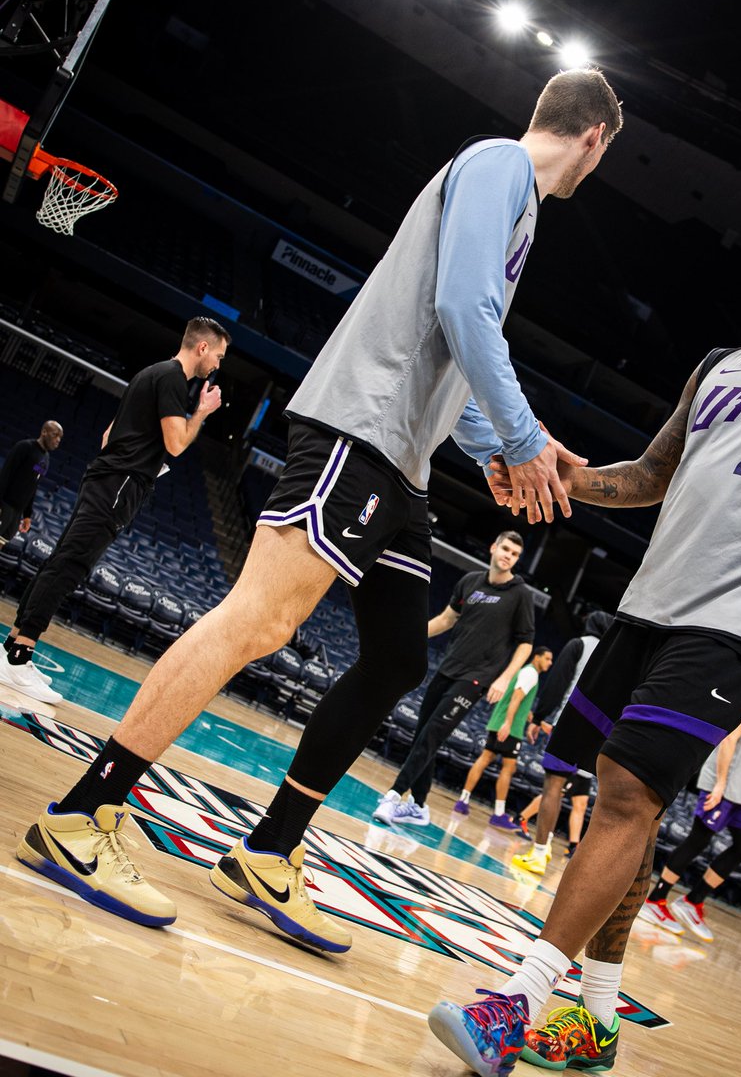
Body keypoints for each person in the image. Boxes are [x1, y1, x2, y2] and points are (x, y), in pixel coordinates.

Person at [14, 69, 623, 948]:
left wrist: (495, 445)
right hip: (359, 432)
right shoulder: (501, 165)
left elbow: (453, 349)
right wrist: (525, 437)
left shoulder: (516, 200)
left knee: (397, 659)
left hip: (402, 465)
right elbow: (463, 309)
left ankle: (270, 850)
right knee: (258, 621)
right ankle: (83, 813)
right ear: (595, 137)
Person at [427, 205, 741, 1077]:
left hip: (737, 630)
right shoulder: (718, 365)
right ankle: (597, 1021)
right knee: (631, 813)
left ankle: (518, 1003)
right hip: (647, 610)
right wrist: (562, 475)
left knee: (622, 795)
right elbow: (650, 474)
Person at [0, 318, 227, 706]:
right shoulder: (173, 380)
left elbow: (108, 436)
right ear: (202, 348)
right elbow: (176, 445)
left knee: (61, 562)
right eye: (218, 356)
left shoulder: (151, 373)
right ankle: (20, 656)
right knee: (68, 567)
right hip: (118, 486)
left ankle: (13, 650)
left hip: (105, 479)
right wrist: (202, 412)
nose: (218, 365)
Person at [373, 531, 537, 827]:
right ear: (493, 547)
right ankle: (419, 807)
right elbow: (447, 619)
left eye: (514, 554)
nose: (508, 556)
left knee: (432, 735)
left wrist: (503, 679)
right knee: (423, 734)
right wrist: (410, 636)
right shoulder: (470, 582)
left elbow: (525, 644)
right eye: (505, 549)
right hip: (448, 669)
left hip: (476, 678)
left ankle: (394, 795)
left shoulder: (520, 594)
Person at [640, 658, 741, 941]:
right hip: (725, 787)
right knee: (698, 840)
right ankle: (656, 900)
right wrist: (720, 783)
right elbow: (729, 739)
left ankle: (692, 902)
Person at [513, 609, 614, 874]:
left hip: (569, 724)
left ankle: (539, 852)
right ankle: (549, 846)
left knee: (553, 787)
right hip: (598, 734)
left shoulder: (579, 645)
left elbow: (557, 683)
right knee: (571, 795)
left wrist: (540, 717)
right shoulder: (616, 656)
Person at [452, 644, 554, 829]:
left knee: (485, 759)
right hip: (510, 727)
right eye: (547, 658)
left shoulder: (526, 672)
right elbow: (516, 698)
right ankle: (498, 814)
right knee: (509, 767)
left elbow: (521, 703)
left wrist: (537, 722)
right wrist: (508, 724)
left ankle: (463, 800)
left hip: (498, 721)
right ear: (536, 657)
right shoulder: (531, 673)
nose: (550, 663)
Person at [0, 419, 63, 546]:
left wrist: (27, 515)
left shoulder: (46, 459)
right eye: (55, 435)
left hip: (17, 512)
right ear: (44, 432)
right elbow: (5, 474)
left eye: (60, 438)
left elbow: (33, 486)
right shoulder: (25, 447)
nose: (58, 440)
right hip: (5, 504)